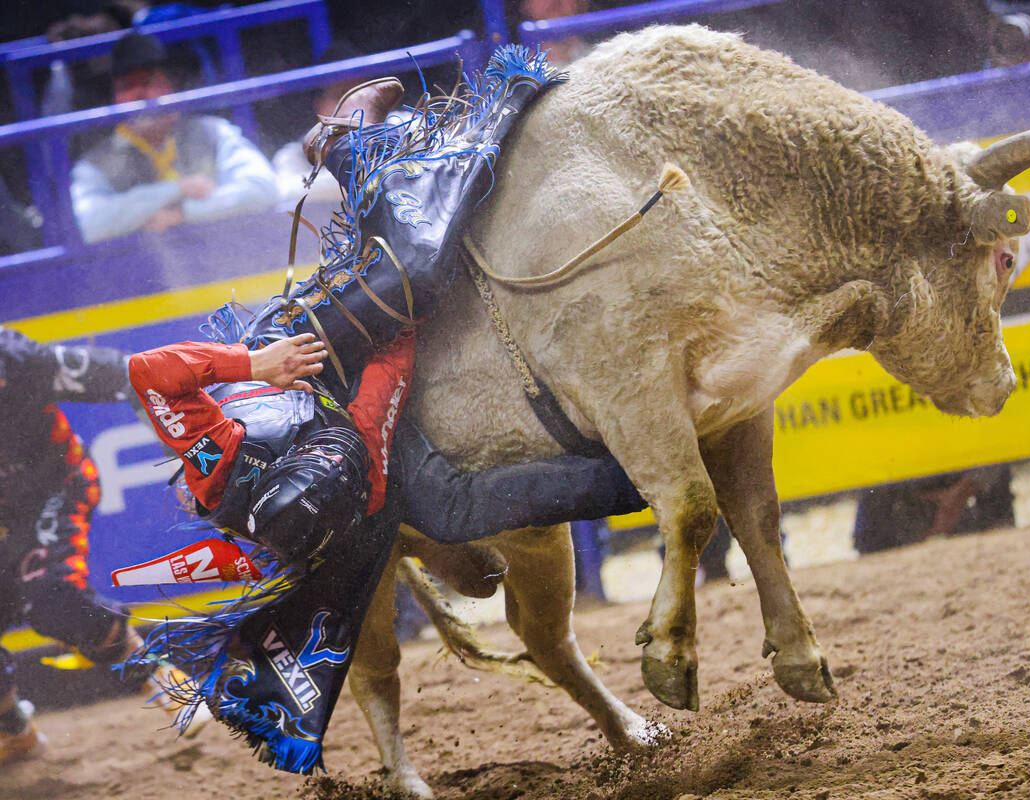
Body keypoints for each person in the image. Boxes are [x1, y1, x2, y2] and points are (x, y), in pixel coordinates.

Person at [126, 47, 646, 773]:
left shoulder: (225, 467)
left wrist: (256, 365)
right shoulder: (363, 489)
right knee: (528, 490)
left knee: (417, 275)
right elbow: (394, 379)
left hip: (297, 350)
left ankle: (349, 141)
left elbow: (149, 370)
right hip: (387, 472)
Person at [0, 326, 205, 767]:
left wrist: (185, 453)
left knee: (52, 594)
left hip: (54, 485)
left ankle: (160, 677)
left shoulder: (17, 359)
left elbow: (128, 374)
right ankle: (15, 732)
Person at [68, 32, 277, 244]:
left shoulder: (213, 132)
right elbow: (87, 225)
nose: (139, 94)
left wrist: (183, 214)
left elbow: (262, 189)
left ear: (172, 86)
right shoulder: (95, 164)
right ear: (114, 98)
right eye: (126, 87)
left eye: (148, 82)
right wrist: (176, 189)